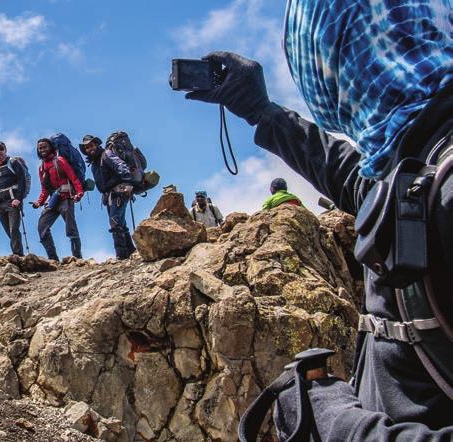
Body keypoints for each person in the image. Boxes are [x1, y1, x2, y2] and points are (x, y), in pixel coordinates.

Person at [184, 0, 453, 436]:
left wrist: (334, 422)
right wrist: (261, 111)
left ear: (334, 61)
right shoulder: (417, 164)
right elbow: (354, 182)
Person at [79, 134, 136, 260]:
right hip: (110, 195)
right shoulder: (94, 163)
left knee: (115, 222)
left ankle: (121, 255)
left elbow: (121, 165)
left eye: (91, 145)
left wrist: (128, 183)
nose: (90, 149)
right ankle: (131, 252)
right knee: (120, 222)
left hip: (119, 191)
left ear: (96, 145)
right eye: (87, 147)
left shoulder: (106, 154)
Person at [32, 137, 84, 261]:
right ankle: (53, 259)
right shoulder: (41, 168)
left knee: (71, 229)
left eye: (45, 147)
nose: (42, 149)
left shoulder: (60, 160)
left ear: (51, 147)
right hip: (53, 200)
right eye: (40, 148)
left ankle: (77, 258)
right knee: (42, 227)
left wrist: (79, 192)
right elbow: (44, 188)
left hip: (66, 198)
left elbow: (73, 177)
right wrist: (39, 202)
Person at [0, 141, 29, 256]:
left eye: (1, 149)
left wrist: (18, 199)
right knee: (9, 232)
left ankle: (17, 255)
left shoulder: (13, 162)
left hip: (13, 202)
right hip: (0, 204)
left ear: (5, 150)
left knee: (14, 229)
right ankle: (17, 253)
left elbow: (22, 181)